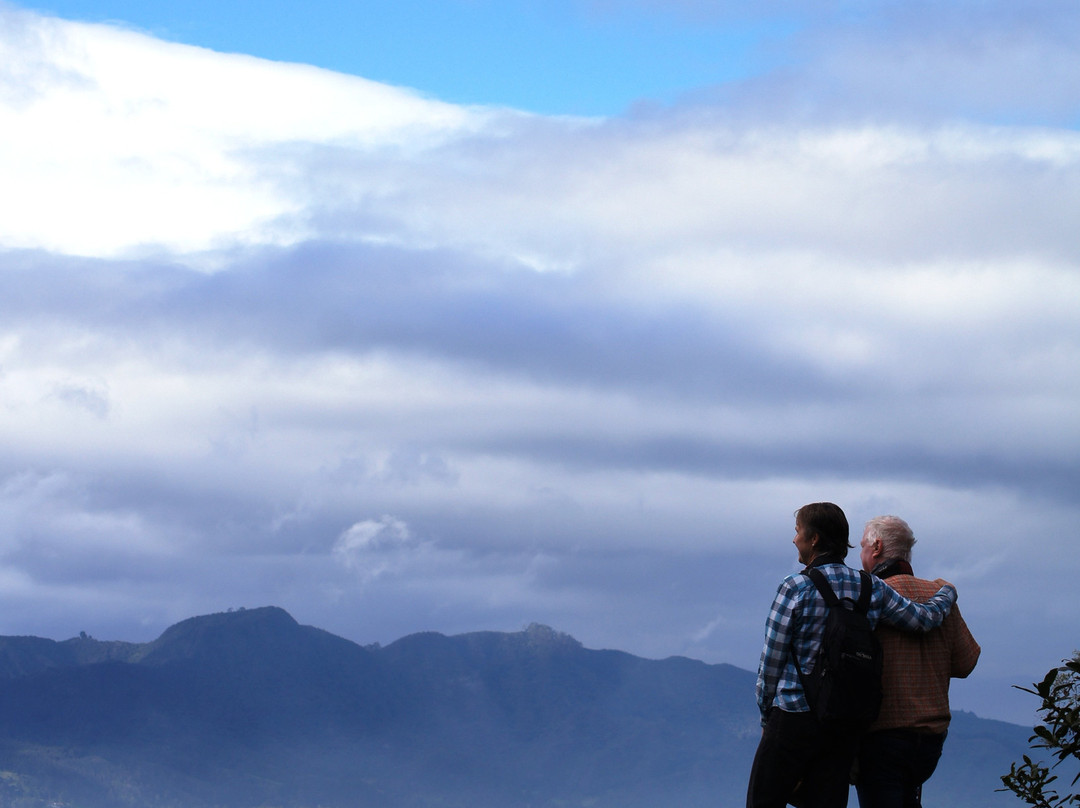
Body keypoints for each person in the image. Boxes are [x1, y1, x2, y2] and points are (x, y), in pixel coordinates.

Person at [746, 502, 959, 808]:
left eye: (797, 532)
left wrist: (768, 713)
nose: (794, 539)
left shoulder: (795, 587)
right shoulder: (870, 587)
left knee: (763, 801)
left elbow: (771, 662)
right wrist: (947, 592)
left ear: (814, 538)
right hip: (841, 722)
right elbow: (922, 620)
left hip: (792, 717)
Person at [855, 515, 981, 808]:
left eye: (862, 546)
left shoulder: (871, 595)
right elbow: (966, 663)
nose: (860, 556)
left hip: (882, 735)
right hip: (930, 739)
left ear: (876, 546)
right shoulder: (939, 595)